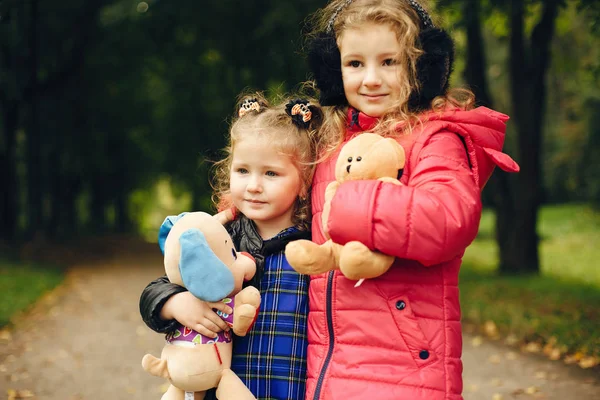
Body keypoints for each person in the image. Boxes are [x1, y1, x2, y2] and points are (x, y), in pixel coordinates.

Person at [301, 0, 519, 399]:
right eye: (354, 64)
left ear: (422, 66)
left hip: (406, 374)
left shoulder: (434, 139)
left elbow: (448, 220)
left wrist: (348, 204)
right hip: (327, 371)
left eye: (390, 62)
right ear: (333, 69)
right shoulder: (328, 145)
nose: (371, 79)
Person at [139, 93, 323, 400]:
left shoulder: (312, 249)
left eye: (271, 173)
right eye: (243, 171)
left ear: (304, 182)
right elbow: (156, 289)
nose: (253, 185)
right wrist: (174, 303)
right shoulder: (218, 238)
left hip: (289, 388)